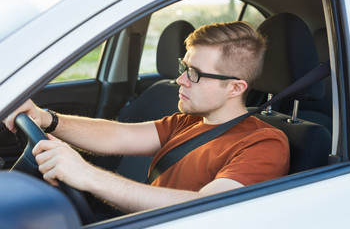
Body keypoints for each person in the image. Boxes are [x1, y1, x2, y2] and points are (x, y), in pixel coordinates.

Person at [3, 21, 289, 214]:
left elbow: (209, 207)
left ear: (235, 88)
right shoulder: (189, 121)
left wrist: (87, 175)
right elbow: (117, 135)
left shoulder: (264, 144)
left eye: (195, 74)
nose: (180, 80)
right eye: (184, 67)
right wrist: (46, 119)